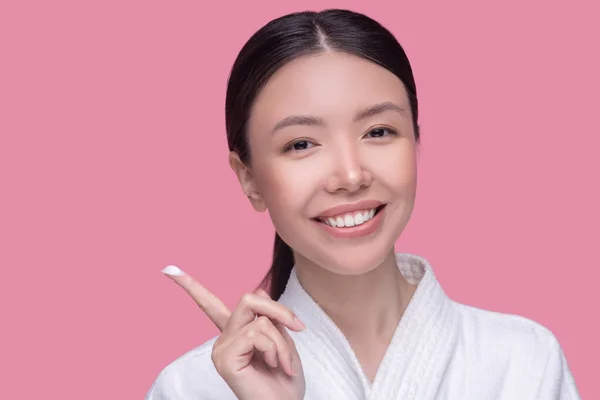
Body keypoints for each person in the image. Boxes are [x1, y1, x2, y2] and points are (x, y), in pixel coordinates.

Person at [145, 8, 580, 400]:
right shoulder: (191, 387)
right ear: (250, 179)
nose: (351, 175)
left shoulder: (525, 362)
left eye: (378, 132)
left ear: (416, 141)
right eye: (301, 144)